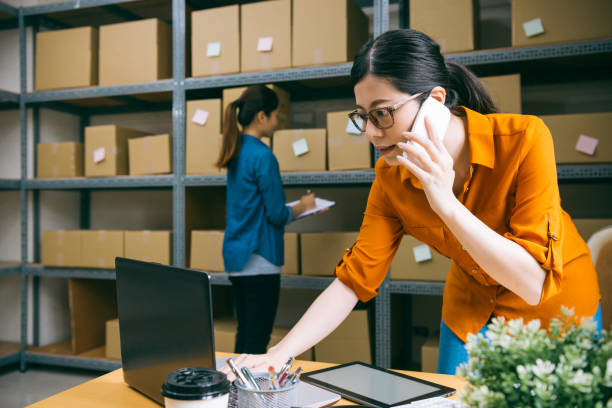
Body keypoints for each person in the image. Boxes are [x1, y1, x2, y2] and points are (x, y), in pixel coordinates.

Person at [223, 29, 602, 376]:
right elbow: (354, 281)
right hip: (470, 305)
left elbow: (533, 282)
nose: (371, 132)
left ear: (436, 99)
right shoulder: (390, 178)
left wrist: (445, 202)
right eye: (362, 117)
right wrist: (280, 353)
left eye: (382, 114)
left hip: (556, 306)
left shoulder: (524, 139)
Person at [216, 84, 317, 354]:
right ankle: (244, 395)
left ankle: (236, 392)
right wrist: (305, 206)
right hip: (259, 259)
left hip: (238, 258)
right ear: (262, 117)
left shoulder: (236, 151)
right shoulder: (263, 156)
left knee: (246, 333)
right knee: (257, 339)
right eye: (275, 116)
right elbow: (277, 214)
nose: (277, 122)